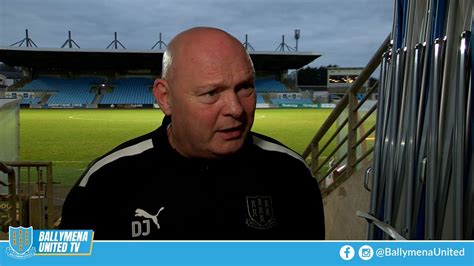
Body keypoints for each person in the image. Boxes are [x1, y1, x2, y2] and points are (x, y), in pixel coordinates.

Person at [59, 27, 325, 240]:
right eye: (211, 93)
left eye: (245, 87)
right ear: (165, 98)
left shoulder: (291, 174)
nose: (236, 109)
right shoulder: (105, 182)